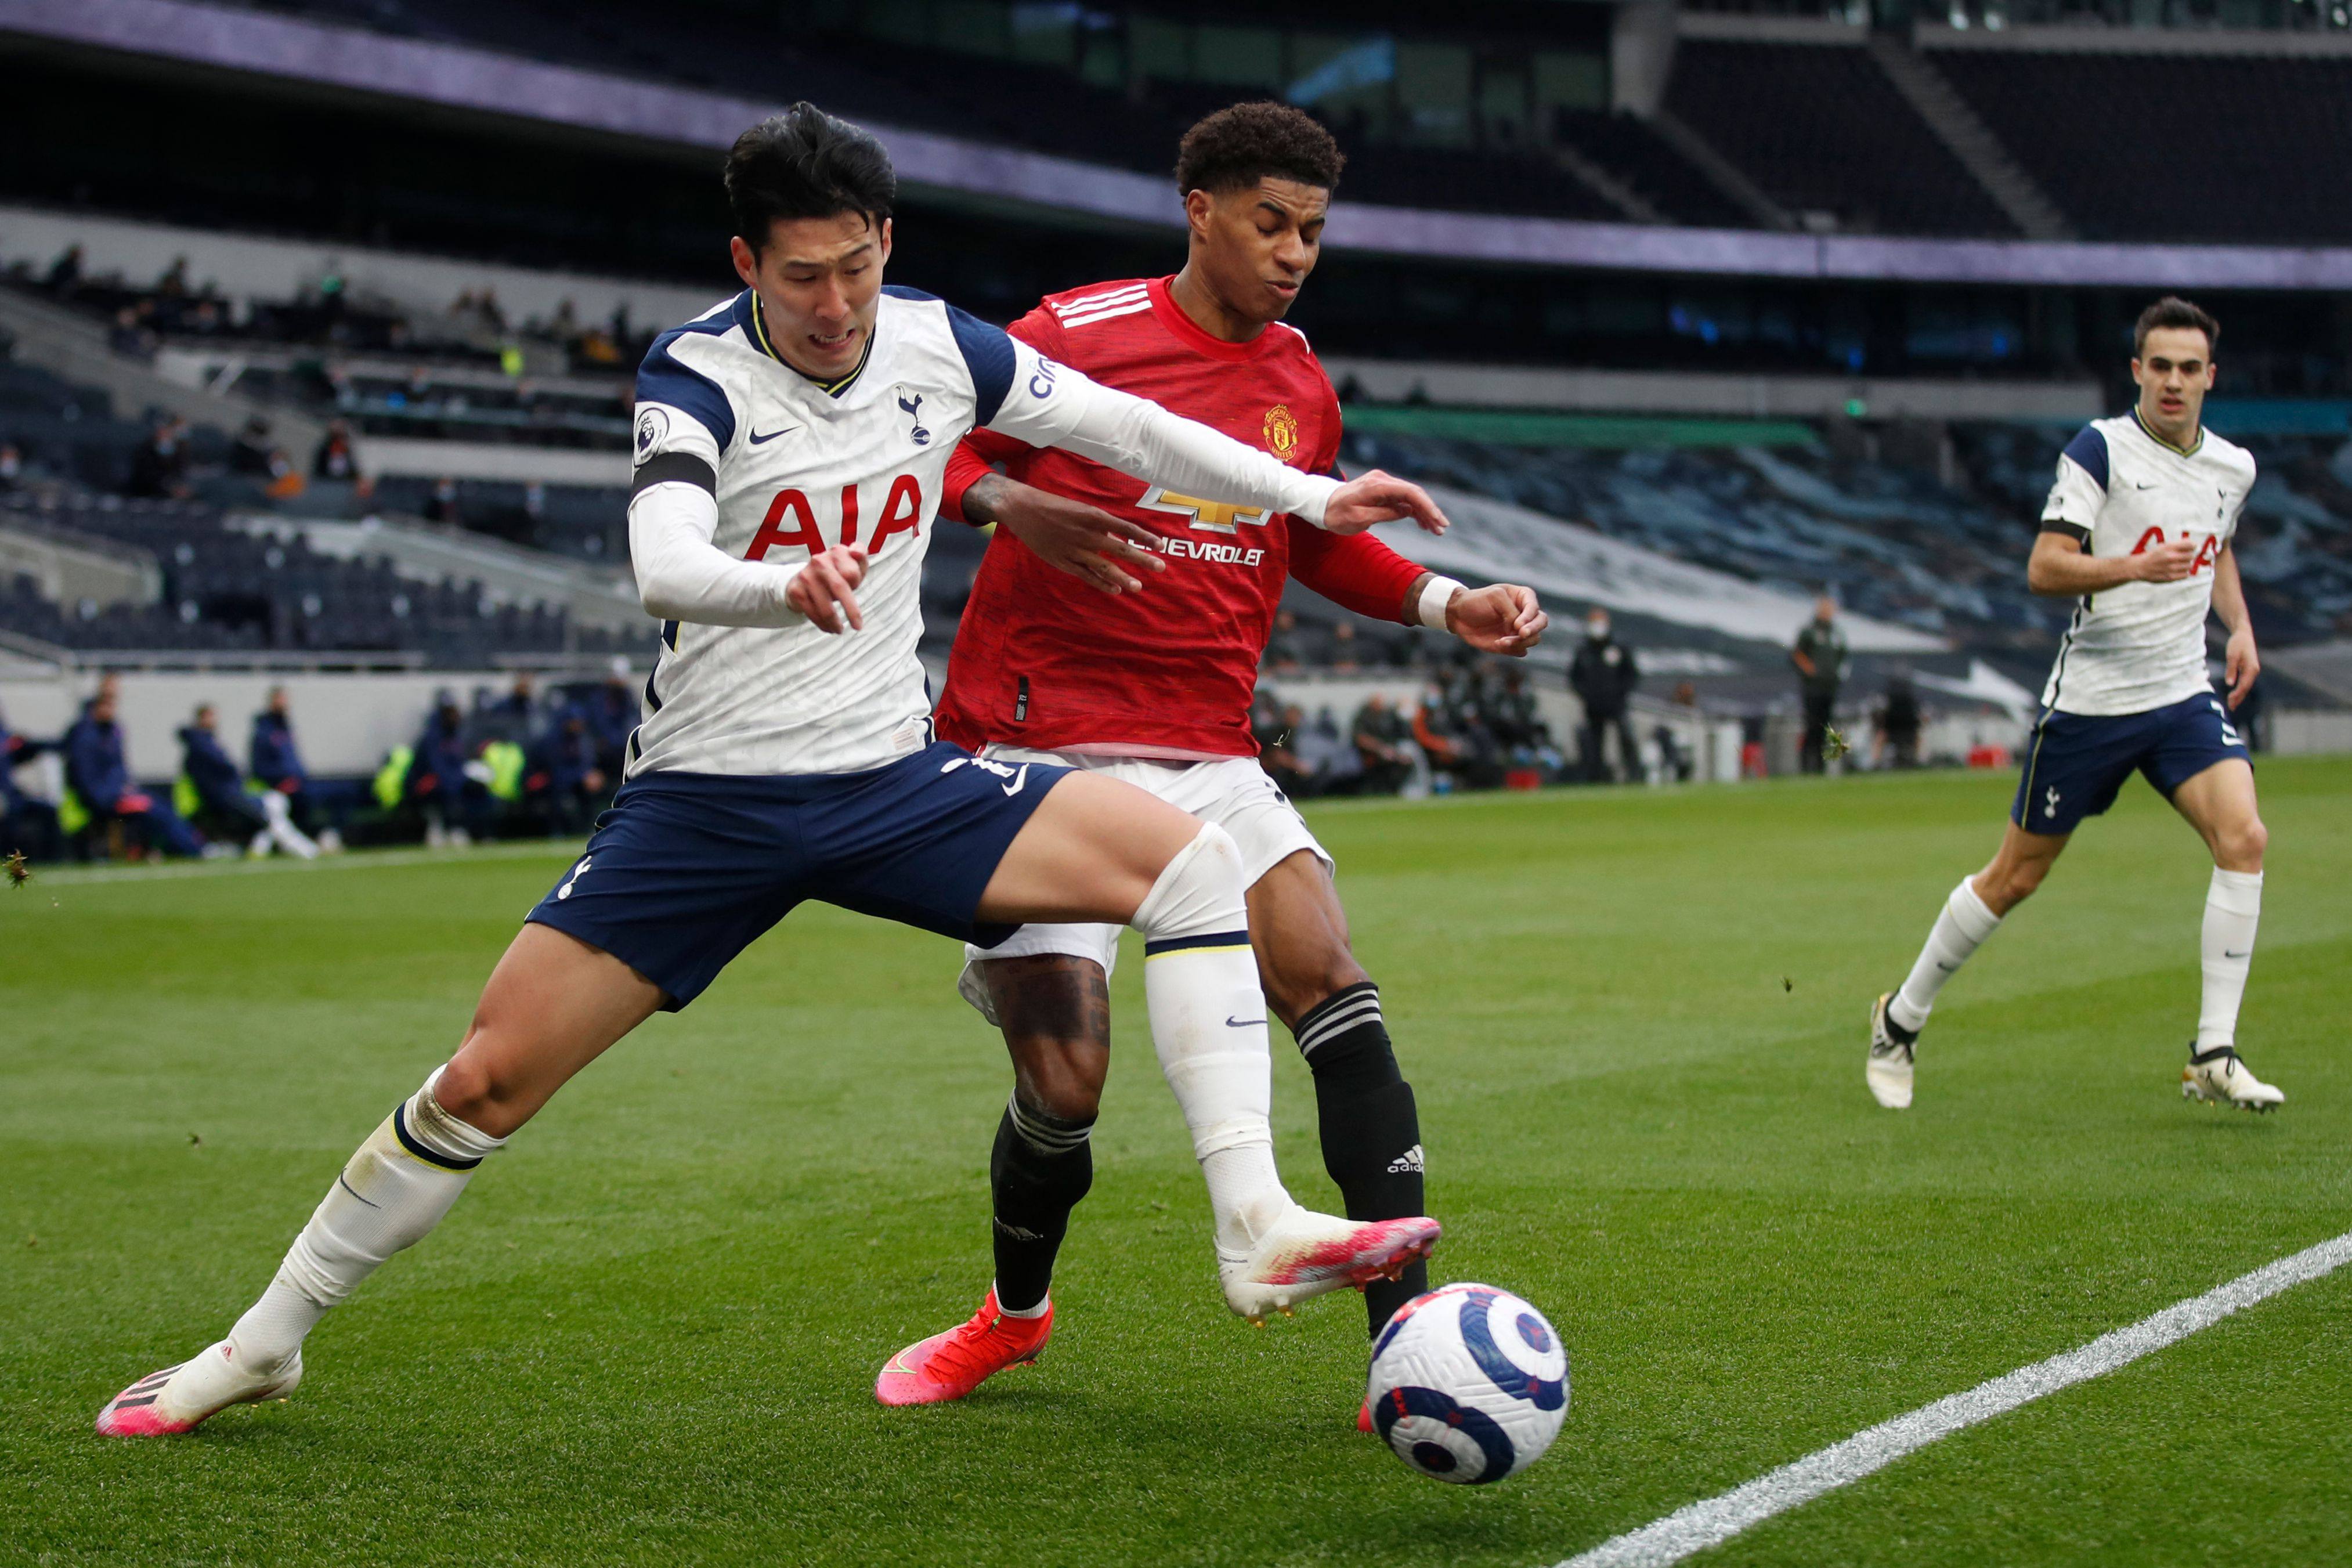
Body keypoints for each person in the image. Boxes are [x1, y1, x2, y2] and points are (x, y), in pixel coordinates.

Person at [97, 103, 1446, 1439]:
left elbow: (1129, 431)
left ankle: (1253, 1220)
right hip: (708, 802)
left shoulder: (936, 341)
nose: (837, 302)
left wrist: (1320, 502)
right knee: (484, 1084)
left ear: (886, 242)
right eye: (804, 274)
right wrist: (773, 586)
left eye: (858, 264)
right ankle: (263, 1345)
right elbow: (661, 560)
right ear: (747, 263)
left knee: (1190, 858)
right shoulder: (693, 375)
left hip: (888, 786)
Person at [911, 100, 1546, 1410]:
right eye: (1272, 223)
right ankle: (1014, 1315)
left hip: (1206, 746)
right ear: (1198, 211)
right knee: (1064, 1077)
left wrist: (1445, 602)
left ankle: (1405, 1334)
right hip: (1039, 745)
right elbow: (939, 442)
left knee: (1328, 973)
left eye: (1313, 230)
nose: (1296, 252)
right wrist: (1018, 500)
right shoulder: (1072, 338)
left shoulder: (1297, 380)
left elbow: (1313, 539)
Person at [1869, 297, 2281, 1114]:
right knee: (2016, 875)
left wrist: (2239, 627)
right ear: (2136, 370)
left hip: (2179, 694)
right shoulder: (2099, 449)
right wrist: (2131, 567)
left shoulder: (2233, 466)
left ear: (2210, 377)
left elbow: (2218, 541)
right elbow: (2045, 565)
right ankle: (1899, 1019)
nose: (2172, 382)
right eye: (2157, 366)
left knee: (2245, 835)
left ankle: (2213, 1051)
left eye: (2187, 368)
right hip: (2092, 704)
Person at [63, 681, 204, 859]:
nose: (111, 711)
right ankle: (188, 850)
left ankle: (191, 846)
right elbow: (88, 779)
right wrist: (114, 796)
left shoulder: (111, 733)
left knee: (161, 807)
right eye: (106, 706)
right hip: (105, 799)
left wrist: (125, 789)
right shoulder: (85, 738)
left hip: (117, 794)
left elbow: (117, 771)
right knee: (154, 810)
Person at [179, 704, 318, 858]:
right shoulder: (201, 746)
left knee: (276, 803)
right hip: (225, 798)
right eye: (210, 716)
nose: (214, 720)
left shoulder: (207, 743)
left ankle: (264, 846)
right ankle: (301, 849)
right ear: (201, 719)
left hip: (231, 794)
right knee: (271, 810)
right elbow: (220, 776)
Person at [1569, 608, 1641, 782]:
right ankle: (1596, 778)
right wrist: (1586, 694)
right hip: (1593, 706)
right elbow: (1574, 677)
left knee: (1626, 737)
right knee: (1594, 744)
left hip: (1617, 704)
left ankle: (1635, 776)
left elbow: (1631, 674)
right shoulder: (1584, 651)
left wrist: (1620, 693)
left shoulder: (1618, 648)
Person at [406, 692, 487, 846]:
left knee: (477, 789)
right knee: (446, 790)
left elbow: (460, 764)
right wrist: (458, 780)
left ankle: (477, 831)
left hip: (452, 780)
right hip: (428, 784)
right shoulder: (431, 739)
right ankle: (446, 827)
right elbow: (437, 768)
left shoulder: (457, 737)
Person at [1791, 597, 1848, 774]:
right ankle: (1806, 765)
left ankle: (1821, 766)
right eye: (1825, 608)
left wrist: (1837, 675)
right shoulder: (1809, 631)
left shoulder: (1837, 632)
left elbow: (1843, 657)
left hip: (1830, 687)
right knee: (1812, 725)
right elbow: (1797, 654)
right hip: (1812, 688)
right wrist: (1810, 670)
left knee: (1826, 727)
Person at [1, 701, 62, 862]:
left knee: (48, 811)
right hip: (5, 801)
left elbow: (23, 748)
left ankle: (51, 860)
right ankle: (10, 859)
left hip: (11, 797)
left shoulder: (4, 737)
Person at [1350, 692, 1412, 794]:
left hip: (1389, 751)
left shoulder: (1387, 716)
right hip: (1369, 754)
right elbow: (1360, 738)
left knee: (1405, 761)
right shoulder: (1363, 716)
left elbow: (1400, 734)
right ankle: (1381, 790)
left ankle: (1394, 790)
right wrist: (1381, 749)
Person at [1873, 671, 1922, 769]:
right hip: (1908, 734)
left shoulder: (1891, 703)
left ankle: (1876, 763)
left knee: (1880, 737)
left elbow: (1882, 720)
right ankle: (1919, 760)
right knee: (1919, 738)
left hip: (1894, 734)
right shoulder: (1910, 703)